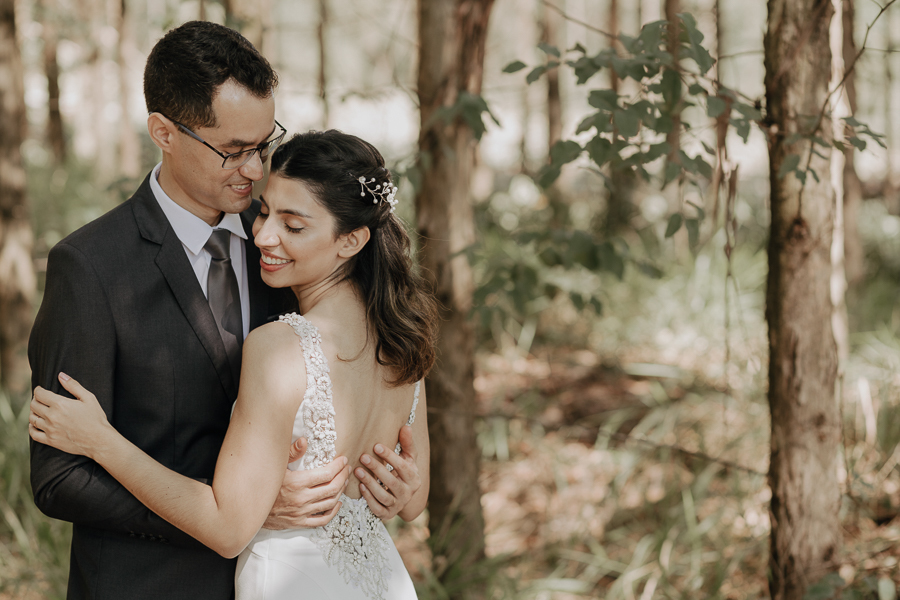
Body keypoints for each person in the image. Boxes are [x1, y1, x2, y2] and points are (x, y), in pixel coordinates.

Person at [28, 22, 421, 600]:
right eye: (233, 152)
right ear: (163, 131)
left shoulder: (287, 245)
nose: (256, 169)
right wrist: (246, 511)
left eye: (263, 144)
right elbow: (58, 480)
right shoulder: (90, 268)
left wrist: (392, 484)